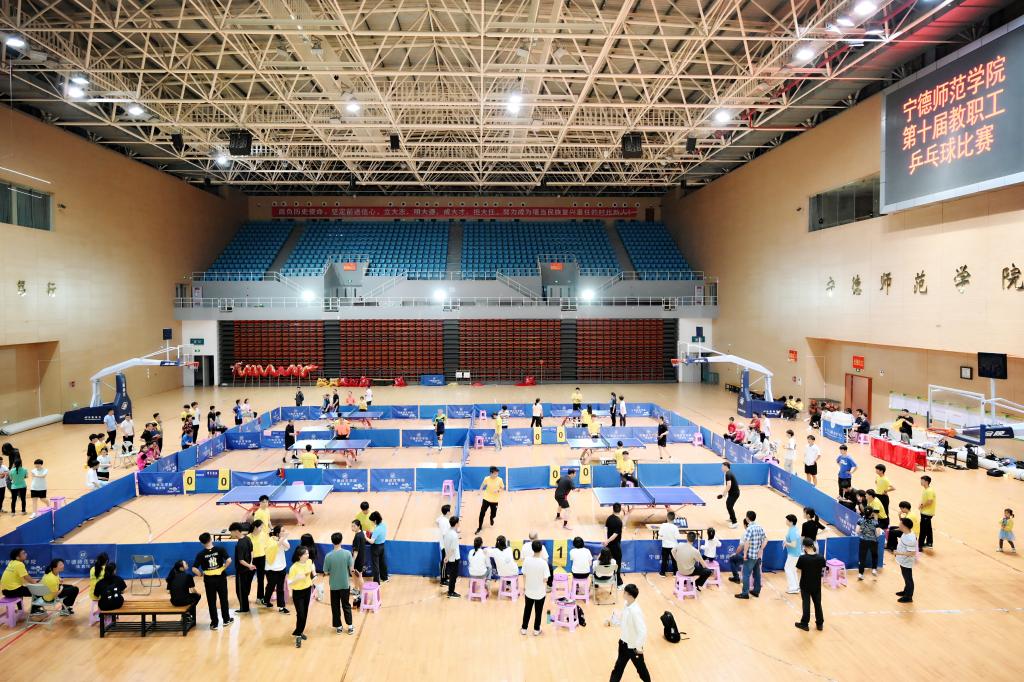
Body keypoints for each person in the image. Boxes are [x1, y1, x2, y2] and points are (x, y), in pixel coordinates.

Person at [609, 583, 651, 682]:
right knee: (618, 668)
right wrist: (612, 622)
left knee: (641, 669)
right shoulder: (626, 604)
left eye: (625, 592)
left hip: (633, 647)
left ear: (630, 595)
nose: (623, 593)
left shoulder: (635, 611)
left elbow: (642, 631)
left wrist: (638, 647)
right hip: (623, 643)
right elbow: (624, 621)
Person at [192, 532, 233, 629]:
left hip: (209, 580)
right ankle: (226, 620)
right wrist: (223, 568)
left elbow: (194, 568)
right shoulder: (220, 549)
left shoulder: (201, 554)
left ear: (201, 543)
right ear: (211, 539)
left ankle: (214, 623)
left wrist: (200, 574)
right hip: (221, 578)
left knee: (211, 601)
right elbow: (229, 560)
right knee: (223, 599)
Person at [323, 531, 355, 634]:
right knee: (346, 605)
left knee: (335, 606)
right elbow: (351, 569)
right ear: (341, 541)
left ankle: (339, 627)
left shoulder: (328, 556)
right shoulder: (347, 553)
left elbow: (325, 571)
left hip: (334, 585)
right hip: (345, 584)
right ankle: (350, 626)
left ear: (332, 542)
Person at [732, 511, 766, 599]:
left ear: (747, 518)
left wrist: (745, 554)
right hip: (758, 556)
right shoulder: (760, 527)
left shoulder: (749, 529)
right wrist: (761, 549)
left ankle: (745, 593)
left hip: (750, 555)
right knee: (757, 574)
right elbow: (766, 540)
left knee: (746, 574)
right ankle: (756, 591)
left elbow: (746, 542)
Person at [794, 538, 826, 631]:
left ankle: (804, 624)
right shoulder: (821, 558)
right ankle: (820, 624)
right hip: (816, 585)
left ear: (804, 547)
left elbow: (798, 570)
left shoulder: (803, 558)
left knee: (806, 604)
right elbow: (823, 569)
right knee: (818, 604)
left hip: (805, 585)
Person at [287, 545, 316, 647]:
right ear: (300, 556)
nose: (308, 555)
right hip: (298, 593)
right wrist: (297, 579)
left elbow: (312, 565)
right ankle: (298, 635)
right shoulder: (294, 568)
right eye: (305, 554)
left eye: (308, 553)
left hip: (307, 590)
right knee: (301, 614)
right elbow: (289, 582)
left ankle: (299, 631)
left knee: (305, 613)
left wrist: (314, 574)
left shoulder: (309, 561)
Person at [520, 540, 550, 636]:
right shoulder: (544, 563)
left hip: (529, 591)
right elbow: (546, 579)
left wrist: (524, 586)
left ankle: (524, 628)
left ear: (532, 549)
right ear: (541, 550)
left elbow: (524, 575)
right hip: (540, 593)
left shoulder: (527, 560)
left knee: (527, 610)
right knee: (538, 611)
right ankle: (536, 629)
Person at [1, 548, 39, 613]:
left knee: (21, 589)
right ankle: (34, 610)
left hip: (5, 591)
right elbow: (26, 577)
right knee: (38, 591)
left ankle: (20, 610)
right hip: (13, 591)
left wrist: (33, 581)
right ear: (17, 557)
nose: (26, 554)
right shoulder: (19, 564)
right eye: (23, 553)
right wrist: (35, 583)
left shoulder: (11, 562)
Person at [229, 522, 255, 614]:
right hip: (248, 569)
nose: (231, 534)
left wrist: (249, 565)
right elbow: (252, 551)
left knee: (240, 590)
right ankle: (245, 606)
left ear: (236, 531)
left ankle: (244, 608)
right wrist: (251, 564)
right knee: (245, 589)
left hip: (242, 571)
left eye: (231, 532)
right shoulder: (247, 538)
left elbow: (241, 560)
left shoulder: (239, 544)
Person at [263, 526, 290, 612]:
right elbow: (275, 546)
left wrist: (282, 539)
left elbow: (288, 547)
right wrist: (283, 538)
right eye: (283, 531)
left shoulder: (283, 539)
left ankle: (281, 607)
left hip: (282, 567)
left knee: (280, 588)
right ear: (278, 533)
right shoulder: (270, 540)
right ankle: (266, 600)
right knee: (271, 586)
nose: (285, 532)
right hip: (271, 569)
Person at [894, 517, 918, 603]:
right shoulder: (906, 533)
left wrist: (899, 553)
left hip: (906, 561)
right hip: (903, 560)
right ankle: (906, 591)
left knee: (908, 578)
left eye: (900, 524)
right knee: (905, 576)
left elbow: (912, 553)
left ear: (904, 526)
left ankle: (908, 596)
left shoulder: (910, 539)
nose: (899, 525)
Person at [476, 466, 505, 533]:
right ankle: (479, 527)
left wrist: (498, 490)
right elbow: (482, 485)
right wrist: (479, 491)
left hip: (495, 500)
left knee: (493, 514)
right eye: (495, 473)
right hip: (486, 498)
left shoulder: (500, 479)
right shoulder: (486, 479)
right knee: (482, 513)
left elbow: (502, 488)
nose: (496, 475)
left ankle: (491, 518)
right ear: (491, 473)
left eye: (497, 473)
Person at [856, 508, 881, 580]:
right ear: (872, 513)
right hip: (873, 541)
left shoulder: (860, 520)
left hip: (863, 541)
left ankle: (860, 574)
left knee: (862, 558)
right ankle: (874, 569)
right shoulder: (875, 522)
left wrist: (863, 532)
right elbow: (878, 534)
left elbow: (857, 531)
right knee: (874, 555)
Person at [604, 503, 624, 587]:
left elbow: (605, 529)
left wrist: (606, 540)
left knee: (608, 561)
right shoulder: (619, 522)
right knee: (617, 563)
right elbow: (615, 534)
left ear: (613, 509)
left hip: (608, 545)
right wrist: (607, 541)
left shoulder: (609, 518)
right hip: (615, 545)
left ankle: (606, 576)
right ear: (620, 510)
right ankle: (618, 582)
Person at [442, 516, 461, 598]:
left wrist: (447, 556)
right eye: (458, 522)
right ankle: (451, 592)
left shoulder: (447, 532)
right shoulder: (454, 535)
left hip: (449, 557)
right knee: (453, 576)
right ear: (456, 524)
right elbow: (453, 549)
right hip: (454, 558)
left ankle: (450, 589)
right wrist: (447, 557)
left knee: (452, 575)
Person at [717, 461, 741, 528]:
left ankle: (735, 522)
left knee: (729, 506)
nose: (721, 468)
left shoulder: (728, 474)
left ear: (726, 467)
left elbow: (729, 485)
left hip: (734, 493)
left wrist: (724, 493)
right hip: (732, 493)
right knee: (729, 505)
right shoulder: (728, 473)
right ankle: (731, 518)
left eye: (722, 466)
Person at [250, 519, 268, 605]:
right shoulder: (248, 537)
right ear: (255, 527)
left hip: (262, 558)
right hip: (252, 560)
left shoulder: (264, 535)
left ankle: (260, 597)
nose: (262, 528)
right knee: (249, 579)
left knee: (261, 579)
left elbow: (267, 546)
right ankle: (245, 595)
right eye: (261, 527)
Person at [658, 511, 680, 576]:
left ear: (667, 518)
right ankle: (675, 573)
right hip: (674, 546)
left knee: (664, 560)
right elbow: (677, 537)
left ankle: (662, 573)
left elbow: (660, 534)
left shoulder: (663, 525)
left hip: (665, 545)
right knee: (674, 560)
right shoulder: (675, 527)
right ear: (674, 519)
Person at [783, 514, 801, 594]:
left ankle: (793, 587)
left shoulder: (792, 531)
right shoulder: (794, 529)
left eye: (787, 520)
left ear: (791, 522)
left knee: (788, 569)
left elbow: (794, 544)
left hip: (793, 554)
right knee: (793, 569)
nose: (786, 521)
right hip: (795, 553)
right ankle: (796, 586)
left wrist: (786, 543)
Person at [369, 511, 388, 583]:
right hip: (382, 546)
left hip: (376, 548)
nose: (372, 522)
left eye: (372, 521)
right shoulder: (384, 525)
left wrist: (365, 537)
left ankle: (376, 582)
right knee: (382, 563)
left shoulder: (377, 529)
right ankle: (385, 578)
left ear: (375, 520)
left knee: (376, 565)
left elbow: (372, 541)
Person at [436, 504, 453, 582]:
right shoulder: (445, 522)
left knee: (445, 561)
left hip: (443, 543)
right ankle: (443, 580)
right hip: (445, 545)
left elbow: (436, 521)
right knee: (444, 561)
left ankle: (445, 576)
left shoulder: (441, 518)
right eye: (450, 510)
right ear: (447, 512)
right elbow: (445, 534)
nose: (451, 511)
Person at [919, 475, 936, 550]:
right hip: (926, 512)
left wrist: (922, 505)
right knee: (928, 528)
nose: (920, 482)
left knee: (923, 530)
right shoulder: (926, 489)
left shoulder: (929, 491)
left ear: (926, 482)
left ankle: (920, 545)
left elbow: (930, 501)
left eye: (922, 480)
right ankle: (929, 543)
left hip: (927, 513)